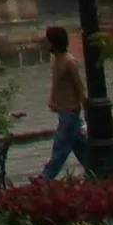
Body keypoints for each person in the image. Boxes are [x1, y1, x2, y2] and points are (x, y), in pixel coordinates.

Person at [40, 25, 88, 180]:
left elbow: (79, 87)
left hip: (71, 110)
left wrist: (87, 108)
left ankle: (46, 177)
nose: (45, 43)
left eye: (47, 40)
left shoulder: (70, 61)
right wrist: (52, 99)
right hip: (62, 110)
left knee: (61, 144)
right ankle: (96, 169)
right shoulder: (55, 59)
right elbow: (55, 82)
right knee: (78, 144)